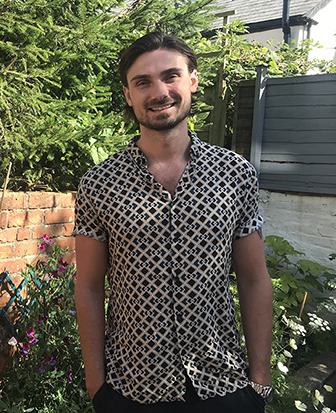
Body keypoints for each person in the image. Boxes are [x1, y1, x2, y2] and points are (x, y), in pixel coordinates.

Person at [73, 32, 274, 413]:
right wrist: (97, 385)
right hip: (130, 389)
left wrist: (259, 383)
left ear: (193, 81)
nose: (159, 91)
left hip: (224, 385)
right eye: (142, 82)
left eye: (171, 76)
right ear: (129, 94)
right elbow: (89, 286)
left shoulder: (235, 174)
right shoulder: (99, 183)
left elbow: (254, 278)